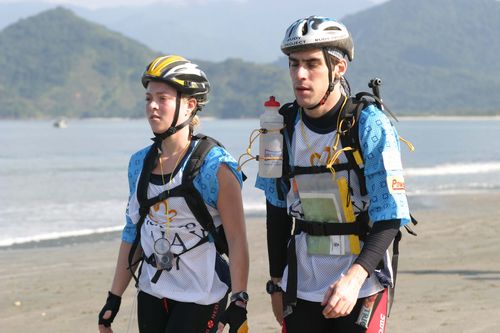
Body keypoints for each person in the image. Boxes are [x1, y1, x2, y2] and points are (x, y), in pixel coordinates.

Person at [256, 16, 411, 332]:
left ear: (339, 69)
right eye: (293, 64)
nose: (300, 75)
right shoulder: (278, 127)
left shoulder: (369, 125)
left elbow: (391, 214)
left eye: (311, 64)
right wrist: (275, 282)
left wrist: (355, 279)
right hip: (300, 283)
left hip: (361, 285)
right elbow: (277, 210)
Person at [98, 55, 249, 333]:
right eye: (148, 98)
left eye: (163, 98)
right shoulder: (139, 164)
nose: (152, 106)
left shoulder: (214, 167)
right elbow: (133, 232)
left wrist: (240, 299)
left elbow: (238, 239)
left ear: (190, 105)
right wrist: (114, 297)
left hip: (202, 294)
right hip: (152, 290)